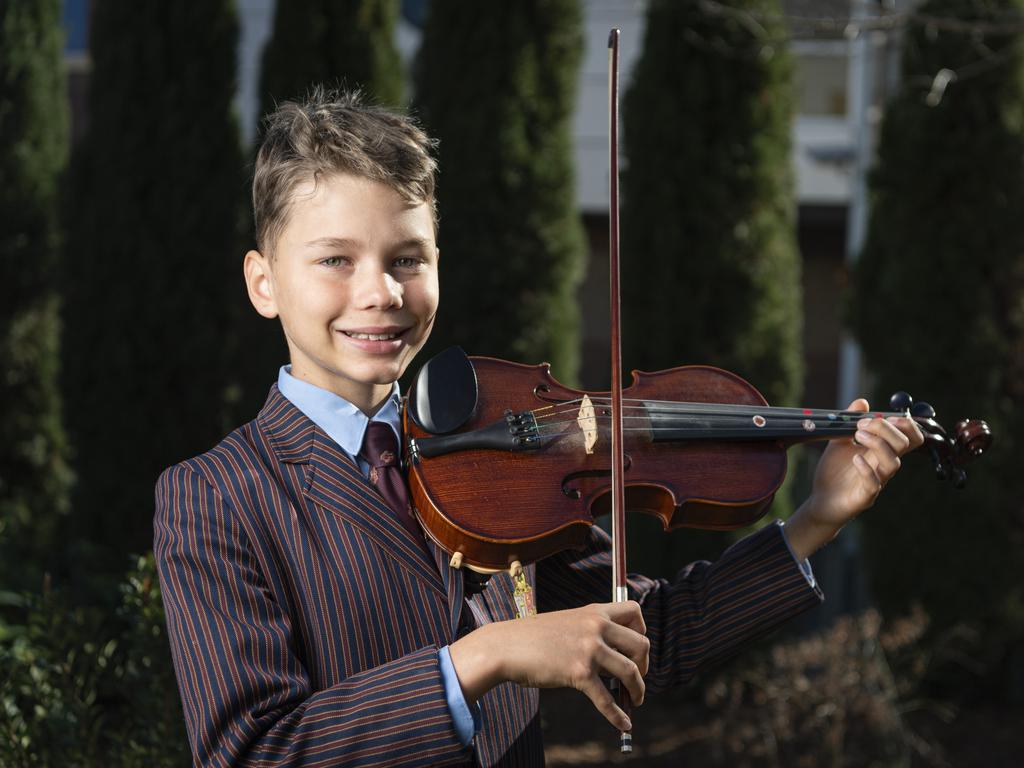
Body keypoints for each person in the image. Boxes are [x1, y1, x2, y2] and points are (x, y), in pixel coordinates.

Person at [154, 89, 923, 767]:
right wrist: (482, 657)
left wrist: (818, 516)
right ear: (264, 282)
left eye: (407, 259)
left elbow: (659, 635)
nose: (381, 292)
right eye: (335, 260)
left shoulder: (497, 451)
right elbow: (253, 751)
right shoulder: (217, 495)